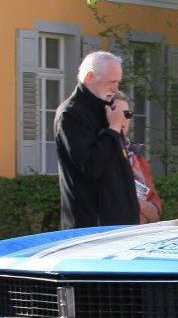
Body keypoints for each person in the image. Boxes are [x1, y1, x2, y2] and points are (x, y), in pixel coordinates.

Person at [54, 50, 138, 229]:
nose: (115, 89)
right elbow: (91, 167)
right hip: (93, 226)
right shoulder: (70, 113)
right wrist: (113, 129)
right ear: (90, 77)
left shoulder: (107, 109)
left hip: (120, 224)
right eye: (111, 82)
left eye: (118, 82)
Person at [112, 93, 162, 224]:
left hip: (139, 229)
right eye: (117, 113)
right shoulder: (101, 154)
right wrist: (138, 207)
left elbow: (154, 199)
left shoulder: (137, 157)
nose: (123, 119)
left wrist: (148, 210)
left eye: (127, 114)